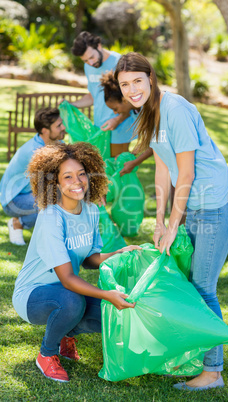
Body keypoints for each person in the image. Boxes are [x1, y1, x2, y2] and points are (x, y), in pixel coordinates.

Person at [114, 52, 228, 391]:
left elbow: (185, 171)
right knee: (188, 283)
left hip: (216, 205)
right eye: (125, 84)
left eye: (137, 81)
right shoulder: (148, 112)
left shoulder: (176, 110)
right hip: (197, 205)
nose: (132, 90)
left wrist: (174, 224)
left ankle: (213, 372)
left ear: (150, 78)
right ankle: (193, 358)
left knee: (203, 288)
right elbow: (162, 167)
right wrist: (158, 219)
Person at [12, 142, 140, 383]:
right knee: (73, 301)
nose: (77, 181)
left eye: (82, 174)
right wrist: (106, 293)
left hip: (65, 291)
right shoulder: (51, 217)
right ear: (55, 183)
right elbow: (67, 279)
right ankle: (46, 355)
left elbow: (90, 259)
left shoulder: (90, 210)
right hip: (32, 296)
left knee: (109, 313)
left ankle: (64, 336)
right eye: (67, 176)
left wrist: (119, 253)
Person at [0, 107, 66, 246]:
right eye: (58, 126)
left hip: (27, 193)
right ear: (45, 131)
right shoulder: (36, 152)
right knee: (53, 203)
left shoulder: (57, 143)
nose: (63, 127)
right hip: (12, 199)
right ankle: (17, 223)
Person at [69, 31, 135, 157]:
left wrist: (118, 119)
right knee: (102, 171)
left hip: (120, 126)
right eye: (85, 60)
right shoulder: (88, 66)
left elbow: (131, 98)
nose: (91, 63)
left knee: (117, 169)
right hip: (100, 127)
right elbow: (92, 96)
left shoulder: (120, 62)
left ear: (98, 45)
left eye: (92, 57)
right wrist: (71, 104)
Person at [100, 70, 153, 176]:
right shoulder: (134, 110)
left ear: (124, 100)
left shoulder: (147, 109)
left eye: (115, 108)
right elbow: (148, 141)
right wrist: (129, 155)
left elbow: (156, 144)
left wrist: (134, 162)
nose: (115, 113)